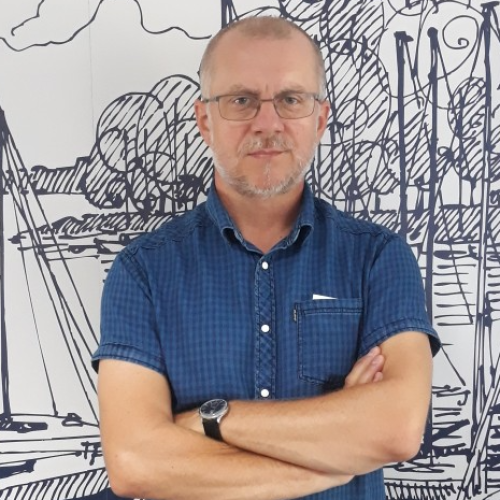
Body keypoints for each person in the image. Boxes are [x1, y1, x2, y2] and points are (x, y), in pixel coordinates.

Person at [92, 15, 441, 500]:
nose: (268, 123)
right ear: (204, 120)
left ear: (320, 119)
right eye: (241, 100)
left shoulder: (379, 258)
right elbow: (135, 463)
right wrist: (335, 463)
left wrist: (209, 420)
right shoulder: (142, 272)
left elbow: (397, 429)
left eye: (291, 99)